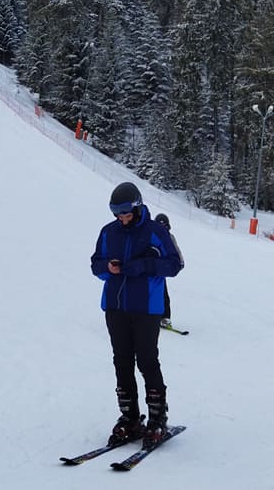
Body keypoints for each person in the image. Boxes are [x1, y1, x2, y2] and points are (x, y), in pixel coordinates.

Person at [91, 182, 183, 448]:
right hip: (115, 306)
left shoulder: (155, 232)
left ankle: (157, 418)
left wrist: (143, 266)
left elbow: (175, 264)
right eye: (117, 214)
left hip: (146, 307)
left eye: (126, 213)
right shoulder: (109, 232)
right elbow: (95, 264)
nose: (122, 218)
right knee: (121, 361)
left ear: (137, 207)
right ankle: (129, 417)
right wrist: (107, 267)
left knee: (147, 360)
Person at [152, 213, 180, 329]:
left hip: (160, 270)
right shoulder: (151, 236)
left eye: (165, 227)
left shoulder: (170, 237)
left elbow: (177, 254)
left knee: (163, 294)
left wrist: (168, 267)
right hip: (149, 269)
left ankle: (165, 318)